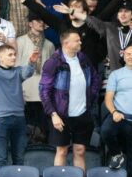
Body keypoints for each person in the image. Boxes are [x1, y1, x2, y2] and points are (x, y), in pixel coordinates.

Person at [39, 29, 100, 169]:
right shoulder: (53, 62)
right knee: (62, 151)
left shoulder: (83, 58)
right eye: (77, 40)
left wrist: (90, 97)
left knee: (80, 151)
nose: (80, 42)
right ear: (66, 43)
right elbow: (44, 90)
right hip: (61, 116)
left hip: (82, 113)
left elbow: (95, 78)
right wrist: (53, 114)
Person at [0, 44, 39, 169]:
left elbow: (27, 72)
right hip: (1, 119)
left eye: (14, 55)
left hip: (19, 119)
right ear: (0, 58)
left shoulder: (17, 71)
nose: (13, 57)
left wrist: (31, 62)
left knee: (19, 158)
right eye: (10, 55)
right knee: (2, 158)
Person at [103, 44, 132, 169]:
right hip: (120, 116)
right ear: (123, 56)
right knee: (106, 130)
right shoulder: (116, 74)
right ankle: (116, 154)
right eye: (128, 54)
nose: (131, 57)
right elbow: (108, 98)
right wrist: (114, 112)